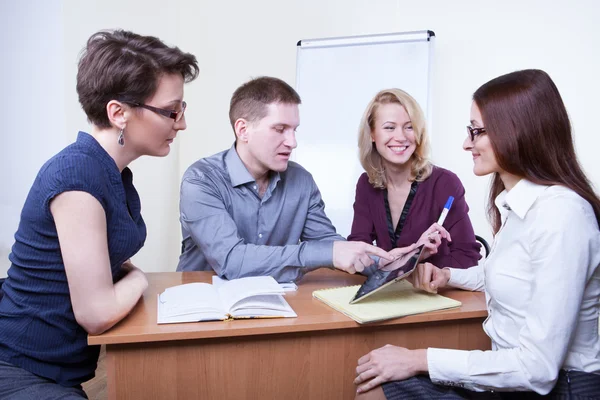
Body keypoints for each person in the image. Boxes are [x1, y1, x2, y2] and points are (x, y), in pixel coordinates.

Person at [353, 69, 600, 399]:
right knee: (375, 385)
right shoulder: (518, 206)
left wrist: (417, 359)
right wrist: (447, 274)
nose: (466, 143)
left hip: (557, 387)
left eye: (477, 132)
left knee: (381, 383)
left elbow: (537, 369)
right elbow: (510, 275)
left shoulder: (562, 216)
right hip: (509, 380)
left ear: (516, 132)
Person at [0, 30, 198, 399]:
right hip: (19, 365)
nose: (181, 123)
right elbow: (95, 311)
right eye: (172, 110)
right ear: (118, 112)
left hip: (58, 367)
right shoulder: (77, 176)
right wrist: (141, 279)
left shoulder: (110, 172)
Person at [176, 77, 433, 282]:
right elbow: (232, 261)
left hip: (273, 309)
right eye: (280, 130)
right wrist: (327, 254)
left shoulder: (300, 180)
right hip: (202, 313)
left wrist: (387, 261)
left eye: (294, 130)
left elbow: (326, 242)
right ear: (243, 130)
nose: (292, 142)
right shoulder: (201, 181)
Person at [348, 88, 481, 269]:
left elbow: (467, 258)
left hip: (432, 293)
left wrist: (414, 264)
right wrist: (408, 258)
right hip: (387, 295)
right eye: (389, 127)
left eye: (409, 127)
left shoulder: (445, 184)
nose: (401, 137)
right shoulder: (366, 184)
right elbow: (357, 250)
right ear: (372, 133)